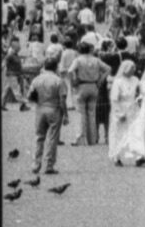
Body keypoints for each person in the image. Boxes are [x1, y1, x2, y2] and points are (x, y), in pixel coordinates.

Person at [28, 49, 66, 181]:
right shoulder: (58, 80)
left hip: (40, 109)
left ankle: (35, 164)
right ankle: (49, 164)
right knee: (52, 138)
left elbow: (30, 97)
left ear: (44, 66)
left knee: (39, 137)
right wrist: (65, 114)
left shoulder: (36, 79)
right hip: (54, 109)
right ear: (55, 67)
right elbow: (62, 99)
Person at [69, 39, 108, 146]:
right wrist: (100, 80)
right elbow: (108, 69)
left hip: (81, 86)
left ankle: (80, 138)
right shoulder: (96, 60)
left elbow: (70, 71)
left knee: (80, 113)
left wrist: (74, 81)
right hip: (93, 86)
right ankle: (92, 138)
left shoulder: (78, 60)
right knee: (92, 113)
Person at [107, 57, 140, 163]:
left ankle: (137, 156)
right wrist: (119, 113)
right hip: (121, 108)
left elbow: (140, 92)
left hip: (133, 108)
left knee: (134, 132)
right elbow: (114, 99)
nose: (133, 70)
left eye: (134, 68)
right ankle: (117, 155)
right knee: (119, 133)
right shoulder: (118, 82)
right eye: (131, 68)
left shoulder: (135, 80)